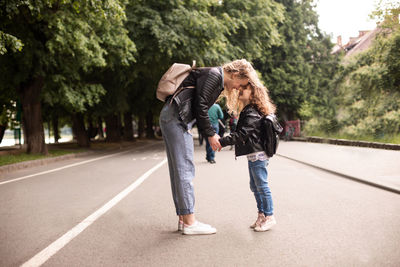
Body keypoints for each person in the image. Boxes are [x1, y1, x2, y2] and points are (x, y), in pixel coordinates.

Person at [159, 59, 252, 235]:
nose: (238, 88)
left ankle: (183, 218)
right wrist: (211, 135)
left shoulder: (214, 77)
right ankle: (189, 222)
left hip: (171, 117)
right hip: (176, 119)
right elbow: (200, 106)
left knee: (178, 171)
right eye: (240, 84)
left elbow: (198, 104)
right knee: (185, 169)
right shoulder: (214, 75)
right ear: (234, 74)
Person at [218, 76, 277, 232]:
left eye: (244, 88)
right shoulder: (248, 110)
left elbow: (243, 134)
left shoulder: (252, 111)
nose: (240, 90)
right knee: (255, 186)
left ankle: (270, 216)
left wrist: (222, 141)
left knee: (261, 185)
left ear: (253, 92)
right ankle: (262, 214)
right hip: (254, 153)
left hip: (258, 154)